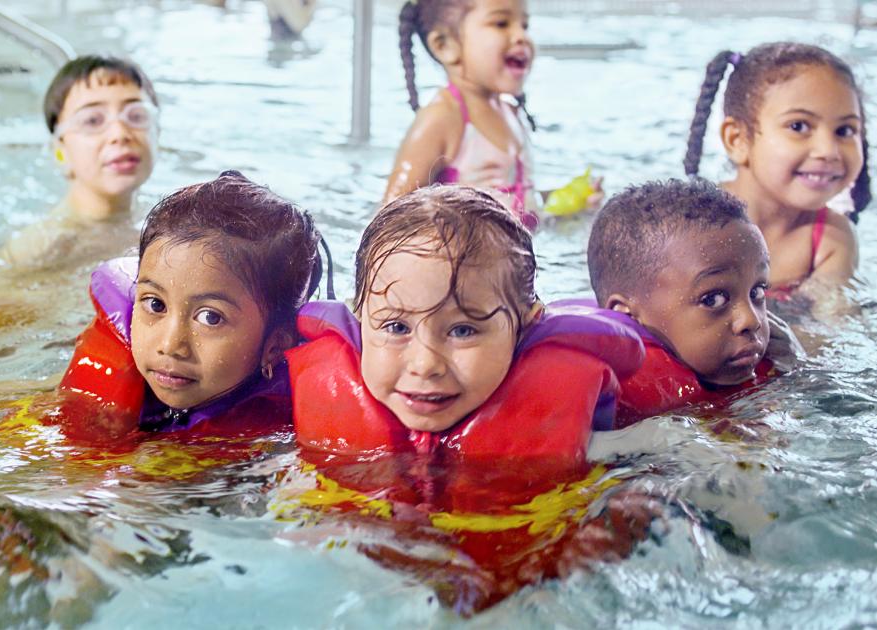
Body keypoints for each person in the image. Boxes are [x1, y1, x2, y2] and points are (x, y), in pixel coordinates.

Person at [284, 184, 653, 613]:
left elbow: (648, 486)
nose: (425, 364)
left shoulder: (590, 425)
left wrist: (613, 523)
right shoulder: (304, 412)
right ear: (359, 315)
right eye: (396, 328)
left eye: (463, 330)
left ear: (527, 324)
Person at [58, 170, 325, 438]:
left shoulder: (279, 435)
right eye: (156, 305)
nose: (171, 345)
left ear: (275, 347)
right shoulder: (113, 366)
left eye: (210, 318)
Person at [587, 179, 801, 425]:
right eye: (713, 299)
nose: (751, 320)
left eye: (757, 292)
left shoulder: (775, 365)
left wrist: (795, 368)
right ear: (626, 316)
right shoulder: (608, 403)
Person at [386, 0, 600, 230]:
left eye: (524, 25)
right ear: (445, 46)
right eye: (501, 23)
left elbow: (517, 203)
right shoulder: (442, 118)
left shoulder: (510, 113)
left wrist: (567, 201)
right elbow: (388, 218)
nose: (521, 36)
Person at [683, 42, 871, 293]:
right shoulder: (688, 225)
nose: (828, 150)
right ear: (737, 140)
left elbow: (829, 324)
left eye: (844, 130)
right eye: (798, 126)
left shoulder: (830, 239)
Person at [0, 55, 159, 268]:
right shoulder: (45, 248)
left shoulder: (165, 223)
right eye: (92, 120)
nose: (120, 133)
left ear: (157, 133)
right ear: (60, 150)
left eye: (136, 116)